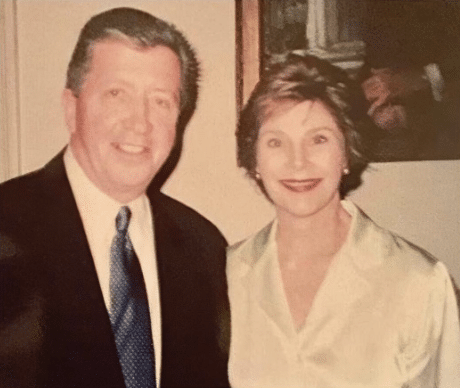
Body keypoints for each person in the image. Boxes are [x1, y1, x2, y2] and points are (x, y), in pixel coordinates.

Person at [0, 8, 230, 388]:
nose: (140, 123)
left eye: (161, 101)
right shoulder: (8, 224)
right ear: (71, 108)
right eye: (117, 94)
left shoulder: (204, 249)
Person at [227, 54, 460, 387]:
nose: (298, 162)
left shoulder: (418, 283)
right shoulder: (223, 278)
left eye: (319, 139)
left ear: (348, 151)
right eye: (276, 141)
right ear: (255, 159)